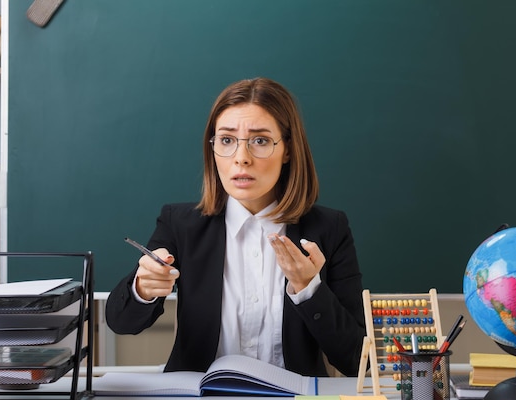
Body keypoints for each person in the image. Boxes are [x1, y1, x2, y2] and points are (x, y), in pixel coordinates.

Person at [106, 77, 365, 377]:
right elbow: (121, 322)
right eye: (227, 140)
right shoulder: (180, 224)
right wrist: (143, 288)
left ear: (288, 150)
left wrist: (310, 290)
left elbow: (357, 360)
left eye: (260, 141)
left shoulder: (329, 228)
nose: (241, 159)